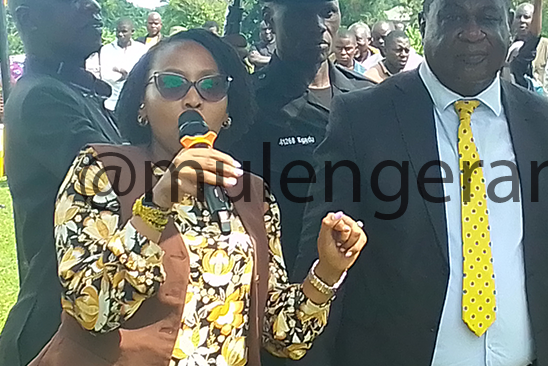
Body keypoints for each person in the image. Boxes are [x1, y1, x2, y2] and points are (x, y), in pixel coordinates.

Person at [295, 0, 548, 366]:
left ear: (509, 26)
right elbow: (322, 266)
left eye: (488, 18)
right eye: (453, 16)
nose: (472, 32)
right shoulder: (363, 120)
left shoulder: (547, 125)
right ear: (424, 23)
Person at [28, 29, 367, 366]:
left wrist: (327, 271)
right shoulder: (102, 170)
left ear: (228, 109)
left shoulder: (251, 193)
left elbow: (279, 336)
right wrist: (157, 203)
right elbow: (92, 311)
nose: (193, 99)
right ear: (142, 104)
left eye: (211, 86)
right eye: (172, 83)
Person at [0, 0, 123, 366]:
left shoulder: (75, 91)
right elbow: (123, 180)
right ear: (27, 19)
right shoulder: (42, 97)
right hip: (55, 327)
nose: (93, 5)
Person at [236, 0, 374, 280]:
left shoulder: (366, 97)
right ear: (269, 19)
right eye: (301, 14)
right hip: (282, 280)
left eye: (328, 12)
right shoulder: (247, 104)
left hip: (362, 279)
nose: (319, 26)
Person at [96, 18, 148, 111]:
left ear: (132, 32)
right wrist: (123, 77)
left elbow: (144, 74)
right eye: (118, 31)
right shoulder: (106, 49)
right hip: (111, 103)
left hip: (134, 103)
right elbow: (105, 75)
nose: (120, 34)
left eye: (124, 31)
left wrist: (125, 75)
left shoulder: (142, 50)